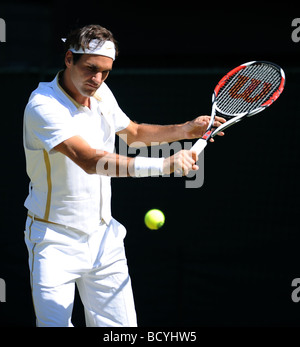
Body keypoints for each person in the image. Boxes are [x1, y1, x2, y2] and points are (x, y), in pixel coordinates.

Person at [23, 24, 225, 327]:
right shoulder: (43, 105)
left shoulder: (100, 92)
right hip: (54, 241)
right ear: (68, 58)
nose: (97, 79)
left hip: (105, 238)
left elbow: (133, 132)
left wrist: (186, 129)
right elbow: (89, 160)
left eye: (105, 72)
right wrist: (164, 165)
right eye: (91, 69)